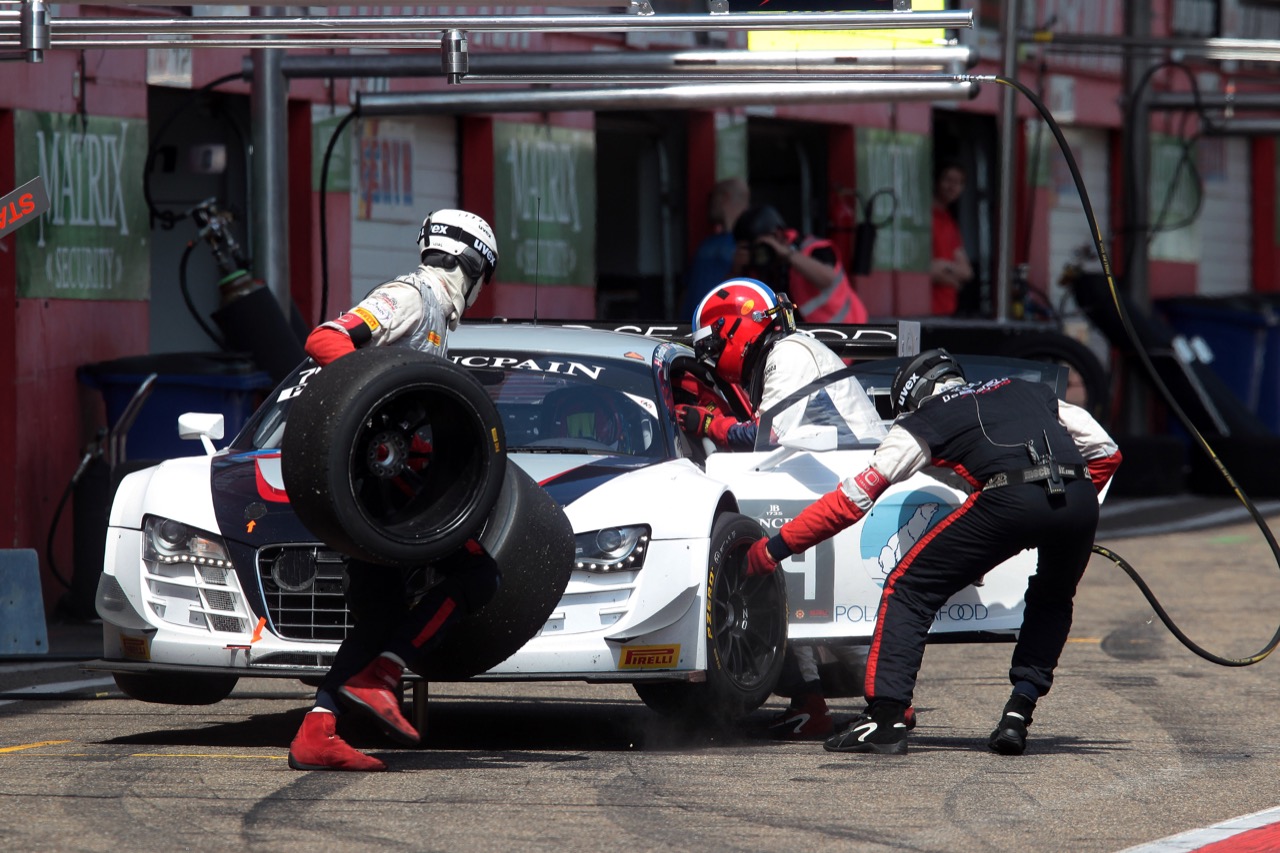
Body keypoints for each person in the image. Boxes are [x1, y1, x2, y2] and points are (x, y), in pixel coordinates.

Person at [745, 348, 1123, 756]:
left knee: (908, 589)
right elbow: (1107, 452)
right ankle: (1019, 712)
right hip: (1080, 497)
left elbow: (853, 500)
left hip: (1009, 499)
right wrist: (1060, 513)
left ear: (911, 396)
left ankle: (885, 719)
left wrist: (772, 550)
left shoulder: (921, 421)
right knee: (1053, 599)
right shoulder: (1026, 389)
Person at [288, 208, 502, 772]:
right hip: (374, 491)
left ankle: (318, 730)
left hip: (379, 493)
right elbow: (326, 340)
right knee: (478, 573)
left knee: (380, 614)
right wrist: (376, 422)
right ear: (473, 265)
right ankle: (383, 674)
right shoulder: (411, 295)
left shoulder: (433, 323)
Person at [677, 277, 885, 738]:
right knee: (795, 599)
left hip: (851, 491)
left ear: (734, 329)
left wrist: (709, 420)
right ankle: (812, 703)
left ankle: (888, 702)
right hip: (830, 483)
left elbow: (764, 439)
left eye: (712, 344)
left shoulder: (788, 354)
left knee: (827, 605)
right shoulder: (783, 353)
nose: (711, 356)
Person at [730, 204, 868, 325]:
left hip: (848, 335)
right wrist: (737, 269)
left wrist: (785, 254)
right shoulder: (757, 266)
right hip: (808, 338)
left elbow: (827, 279)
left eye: (761, 246)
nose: (759, 253)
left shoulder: (814, 248)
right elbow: (733, 301)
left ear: (778, 234)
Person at [679, 177, 751, 322]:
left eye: (712, 197)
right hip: (688, 327)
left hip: (722, 328)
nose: (709, 204)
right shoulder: (707, 243)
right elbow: (686, 290)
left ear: (724, 197)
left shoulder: (748, 243)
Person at [930, 161, 975, 317]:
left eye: (958, 182)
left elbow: (967, 272)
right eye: (948, 180)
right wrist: (953, 278)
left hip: (948, 310)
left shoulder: (949, 221)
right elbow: (921, 271)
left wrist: (944, 267)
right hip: (924, 310)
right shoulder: (924, 219)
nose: (952, 187)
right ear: (936, 181)